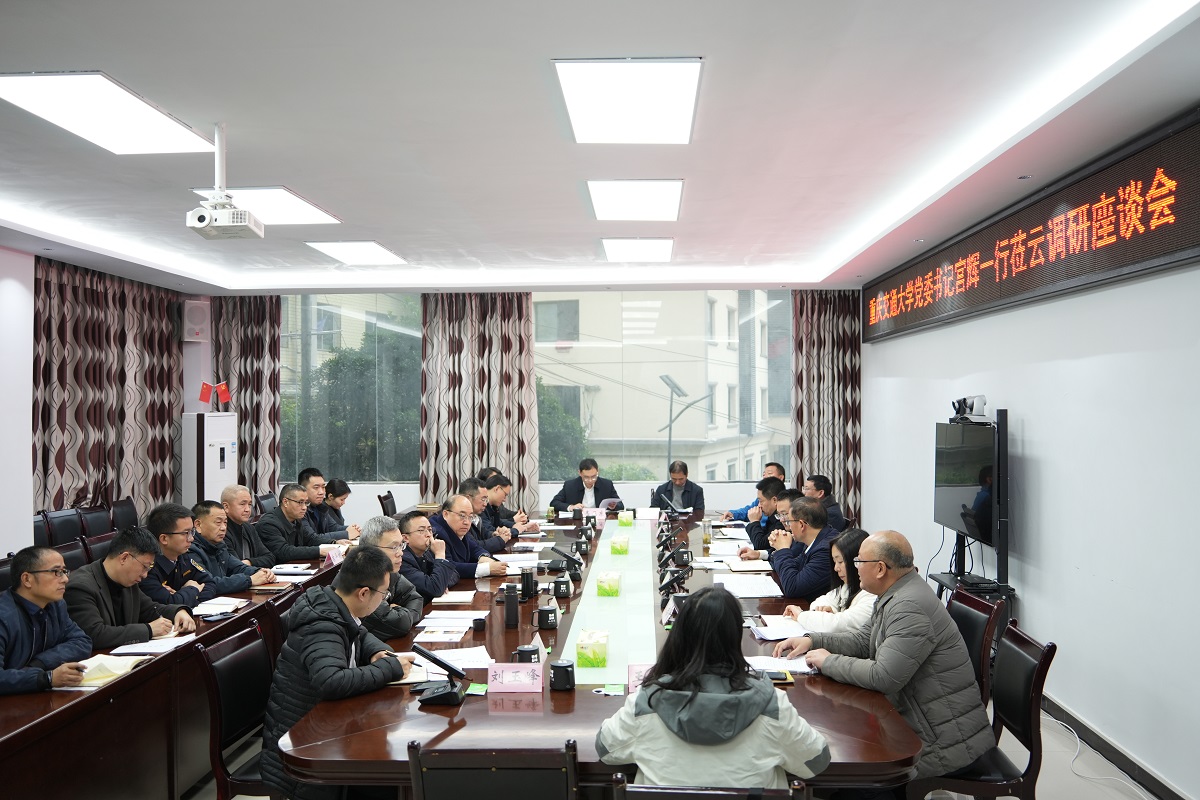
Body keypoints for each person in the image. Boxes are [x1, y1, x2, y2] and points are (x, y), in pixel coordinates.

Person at [774, 530, 994, 784]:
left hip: (941, 742)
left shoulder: (909, 606)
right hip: (920, 720)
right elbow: (863, 641)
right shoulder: (895, 593)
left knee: (844, 779)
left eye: (859, 561)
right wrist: (813, 640)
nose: (855, 567)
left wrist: (829, 661)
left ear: (880, 569)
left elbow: (884, 676)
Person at [596, 585, 830, 788]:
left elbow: (605, 749)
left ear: (679, 636)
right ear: (735, 638)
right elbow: (816, 761)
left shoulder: (647, 701)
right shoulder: (771, 705)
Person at [260, 546, 413, 800]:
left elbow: (358, 632)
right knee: (390, 781)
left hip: (327, 728)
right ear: (364, 593)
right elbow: (331, 681)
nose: (384, 600)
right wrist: (390, 668)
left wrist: (376, 652)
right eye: (383, 594)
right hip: (307, 747)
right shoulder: (321, 624)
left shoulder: (332, 602)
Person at [65, 527, 196, 649]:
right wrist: (149, 630)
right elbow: (94, 634)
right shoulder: (80, 587)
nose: (145, 575)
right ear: (124, 558)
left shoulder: (127, 580)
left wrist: (178, 612)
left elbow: (150, 609)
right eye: (144, 567)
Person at [0, 547, 91, 694]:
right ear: (27, 579)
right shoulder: (4, 617)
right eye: (56, 572)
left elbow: (82, 642)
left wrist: (40, 663)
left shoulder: (56, 605)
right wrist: (47, 678)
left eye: (64, 571)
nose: (65, 579)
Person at [782, 528, 876, 634]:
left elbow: (837, 625)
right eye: (834, 562)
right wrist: (829, 611)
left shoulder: (872, 595)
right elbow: (821, 601)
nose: (836, 568)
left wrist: (801, 615)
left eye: (840, 561)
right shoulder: (846, 587)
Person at [357, 515, 425, 638]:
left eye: (401, 545)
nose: (400, 553)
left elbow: (415, 598)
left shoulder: (388, 572)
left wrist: (402, 613)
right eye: (394, 547)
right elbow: (399, 625)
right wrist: (401, 613)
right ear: (371, 550)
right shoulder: (361, 579)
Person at [188, 500, 276, 594]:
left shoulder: (220, 546)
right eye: (218, 522)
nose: (223, 528)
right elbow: (209, 583)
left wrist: (259, 571)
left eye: (225, 522)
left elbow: (238, 567)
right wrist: (249, 580)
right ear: (198, 525)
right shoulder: (191, 550)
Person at [140, 502, 216, 608]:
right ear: (164, 539)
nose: (191, 538)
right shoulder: (147, 569)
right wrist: (193, 589)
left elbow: (210, 583)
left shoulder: (182, 556)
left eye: (192, 532)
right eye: (185, 533)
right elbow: (169, 604)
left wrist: (183, 596)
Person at [768, 497, 837, 601]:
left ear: (801, 525)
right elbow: (795, 565)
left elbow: (792, 588)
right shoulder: (816, 538)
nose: (788, 526)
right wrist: (779, 550)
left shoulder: (825, 550)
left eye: (789, 522)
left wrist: (782, 549)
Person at [257, 483, 346, 563]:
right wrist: (319, 551)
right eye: (300, 502)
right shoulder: (268, 524)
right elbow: (284, 551)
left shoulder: (296, 519)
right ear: (286, 502)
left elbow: (311, 539)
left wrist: (334, 542)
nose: (304, 507)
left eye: (306, 503)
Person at [430, 494, 507, 579]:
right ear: (445, 514)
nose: (466, 522)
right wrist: (487, 569)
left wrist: (487, 561)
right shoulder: (436, 532)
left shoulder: (457, 528)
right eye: (462, 516)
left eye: (470, 517)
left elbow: (475, 548)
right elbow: (448, 566)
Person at [398, 511, 460, 603]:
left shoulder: (427, 551)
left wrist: (442, 583)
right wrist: (440, 555)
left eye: (430, 530)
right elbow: (435, 589)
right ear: (405, 538)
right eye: (421, 530)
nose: (428, 535)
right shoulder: (402, 561)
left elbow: (455, 574)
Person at [222, 484, 277, 568]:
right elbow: (235, 566)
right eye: (242, 504)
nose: (248, 509)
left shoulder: (249, 527)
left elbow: (270, 558)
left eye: (250, 504)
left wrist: (249, 562)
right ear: (226, 507)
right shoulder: (222, 532)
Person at [299, 467, 362, 540]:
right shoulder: (300, 510)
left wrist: (352, 529)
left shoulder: (320, 507)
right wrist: (346, 534)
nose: (321, 492)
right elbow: (312, 538)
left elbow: (334, 528)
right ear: (303, 489)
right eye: (316, 487)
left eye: (323, 487)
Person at [735, 477, 787, 558]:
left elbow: (761, 545)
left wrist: (754, 522)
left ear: (774, 500)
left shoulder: (782, 520)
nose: (759, 505)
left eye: (761, 501)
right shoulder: (772, 517)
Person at [550, 458, 624, 512]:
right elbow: (554, 503)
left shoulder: (606, 485)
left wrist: (614, 506)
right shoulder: (570, 485)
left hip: (599, 521)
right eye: (586, 477)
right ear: (580, 473)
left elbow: (620, 505)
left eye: (593, 476)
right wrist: (571, 507)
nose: (590, 480)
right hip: (578, 521)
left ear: (597, 471)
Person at [458, 477, 509, 554]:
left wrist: (495, 534)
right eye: (483, 499)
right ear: (467, 498)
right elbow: (475, 547)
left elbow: (484, 534)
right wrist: (500, 540)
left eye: (486, 500)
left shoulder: (476, 517)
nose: (485, 504)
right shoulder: (459, 519)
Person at [722, 462, 786, 521]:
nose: (765, 477)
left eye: (769, 473)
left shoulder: (785, 502)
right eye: (764, 474)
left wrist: (754, 522)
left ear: (781, 478)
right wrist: (733, 514)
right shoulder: (762, 497)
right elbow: (749, 510)